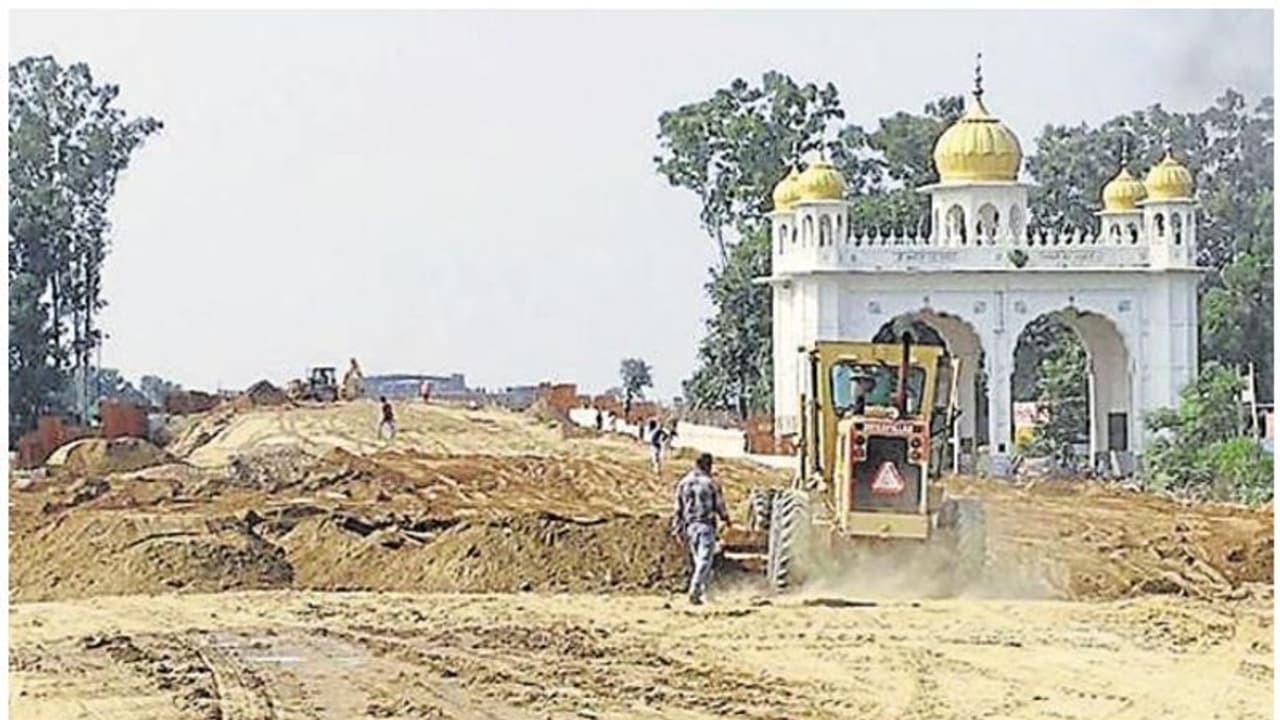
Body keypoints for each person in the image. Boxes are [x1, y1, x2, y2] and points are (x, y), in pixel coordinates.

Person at [671, 453, 730, 605]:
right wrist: (726, 519)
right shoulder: (710, 484)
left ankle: (707, 595)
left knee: (699, 562)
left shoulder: (683, 483)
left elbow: (678, 509)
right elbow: (719, 506)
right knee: (705, 561)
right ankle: (695, 591)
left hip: (690, 527)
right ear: (708, 466)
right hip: (706, 526)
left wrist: (677, 528)